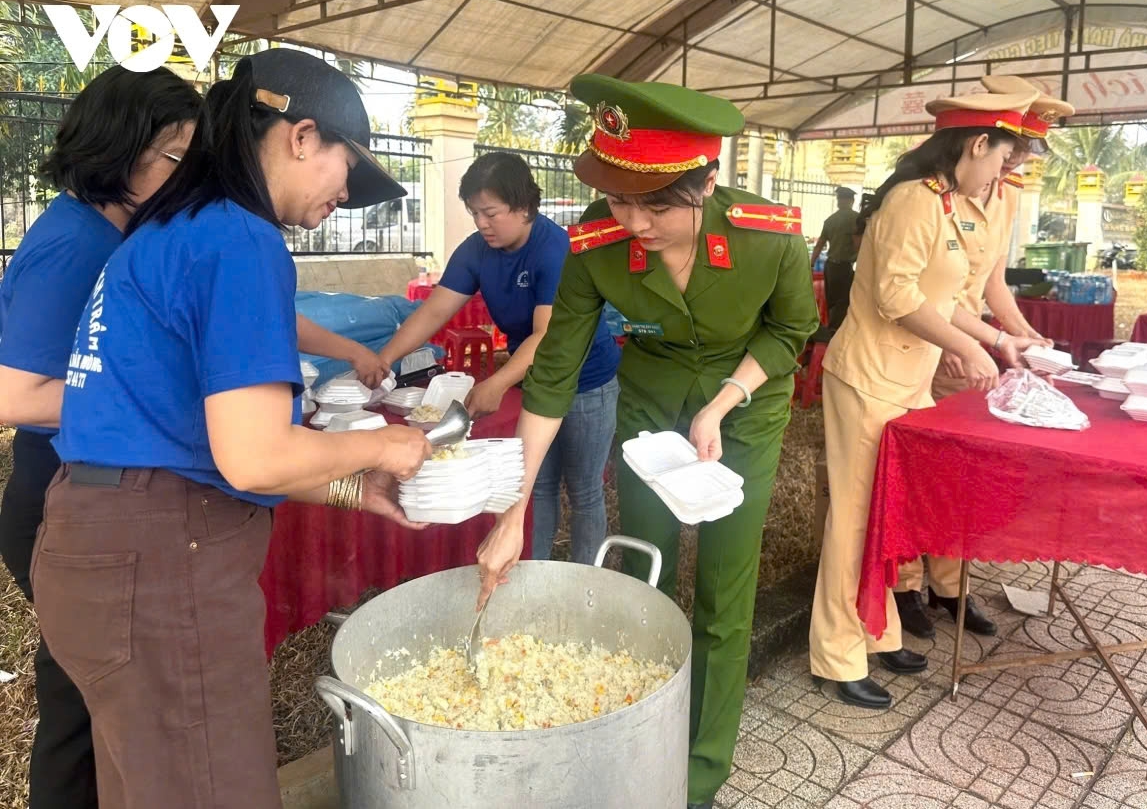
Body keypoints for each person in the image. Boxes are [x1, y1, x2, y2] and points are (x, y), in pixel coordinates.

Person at [29, 49, 431, 809]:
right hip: (159, 565)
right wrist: (387, 443)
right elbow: (253, 455)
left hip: (99, 542)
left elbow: (198, 440)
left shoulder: (171, 229)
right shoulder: (240, 240)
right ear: (301, 136)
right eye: (348, 167)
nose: (346, 194)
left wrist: (350, 483)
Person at [474, 75, 819, 809]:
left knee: (725, 596)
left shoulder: (771, 235)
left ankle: (698, 774)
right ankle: (631, 739)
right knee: (640, 576)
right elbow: (554, 375)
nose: (633, 221)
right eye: (619, 198)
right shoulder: (594, 245)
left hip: (745, 413)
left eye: (657, 204)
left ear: (708, 182)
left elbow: (792, 330)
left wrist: (726, 401)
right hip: (651, 409)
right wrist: (512, 512)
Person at [0, 66, 200, 809]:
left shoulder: (109, 232)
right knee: (82, 707)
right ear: (123, 146)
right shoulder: (76, 243)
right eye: (178, 157)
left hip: (78, 493)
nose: (186, 176)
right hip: (58, 495)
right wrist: (151, 401)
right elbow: (15, 393)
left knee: (87, 695)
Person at [808, 89, 1046, 711]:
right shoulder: (915, 202)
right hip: (867, 378)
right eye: (1001, 156)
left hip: (906, 380)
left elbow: (954, 301)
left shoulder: (948, 204)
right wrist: (969, 351)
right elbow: (896, 297)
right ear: (976, 144)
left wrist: (1001, 340)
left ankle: (877, 628)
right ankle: (837, 654)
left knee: (890, 516)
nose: (1003, 171)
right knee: (854, 521)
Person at [892, 76, 1070, 641]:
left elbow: (992, 285)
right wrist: (967, 342)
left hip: (972, 348)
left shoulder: (1006, 193)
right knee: (915, 475)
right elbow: (910, 288)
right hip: (938, 343)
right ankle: (904, 586)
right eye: (1013, 145)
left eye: (1024, 148)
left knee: (958, 478)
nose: (1015, 158)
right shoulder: (934, 192)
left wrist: (1024, 336)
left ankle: (949, 586)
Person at [378, 151, 620, 563]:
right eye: (474, 213)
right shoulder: (476, 251)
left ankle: (586, 579)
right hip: (535, 382)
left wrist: (498, 381)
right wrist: (384, 358)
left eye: (490, 212)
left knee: (584, 490)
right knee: (533, 487)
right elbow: (435, 310)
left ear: (524, 206)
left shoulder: (554, 248)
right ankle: (534, 569)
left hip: (587, 381)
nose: (481, 223)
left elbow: (548, 335)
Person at [810, 185, 859, 331]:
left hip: (830, 266)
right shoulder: (856, 219)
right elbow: (859, 244)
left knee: (831, 300)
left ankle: (831, 329)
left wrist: (811, 264)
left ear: (839, 201)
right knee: (843, 301)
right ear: (851, 201)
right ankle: (835, 332)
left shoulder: (830, 220)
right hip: (845, 267)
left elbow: (819, 245)